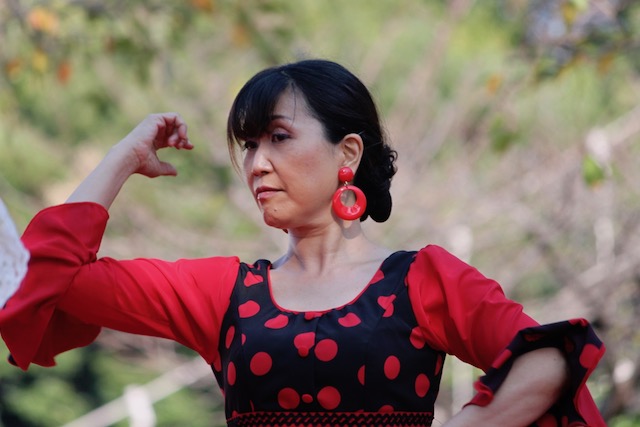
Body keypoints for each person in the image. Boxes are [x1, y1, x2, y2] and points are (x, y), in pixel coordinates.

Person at [0, 59, 605, 427]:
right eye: (249, 146)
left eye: (279, 137)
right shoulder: (224, 294)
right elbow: (37, 276)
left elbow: (551, 357)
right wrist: (122, 158)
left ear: (348, 152)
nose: (257, 164)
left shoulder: (422, 280)